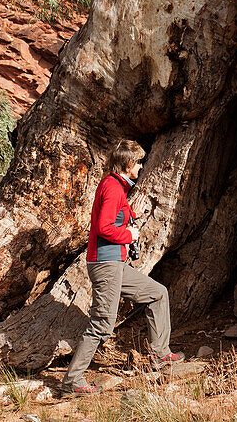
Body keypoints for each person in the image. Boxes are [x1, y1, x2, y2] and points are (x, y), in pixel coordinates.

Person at [61, 139, 184, 394]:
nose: (141, 166)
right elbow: (104, 227)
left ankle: (160, 355)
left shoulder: (115, 185)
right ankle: (72, 382)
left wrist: (131, 215)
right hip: (106, 265)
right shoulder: (113, 188)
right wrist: (130, 235)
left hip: (113, 263)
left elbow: (113, 216)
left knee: (157, 293)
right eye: (139, 162)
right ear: (128, 163)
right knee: (102, 324)